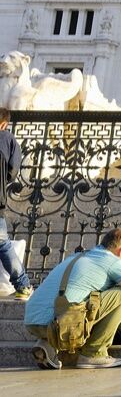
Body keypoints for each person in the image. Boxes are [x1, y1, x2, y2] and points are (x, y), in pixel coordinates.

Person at [24, 227, 121, 370]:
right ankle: (94, 353)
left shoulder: (76, 256)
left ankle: (47, 344)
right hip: (61, 322)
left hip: (32, 321)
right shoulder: (113, 261)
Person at [0, 108, 32, 300]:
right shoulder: (7, 139)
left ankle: (23, 284)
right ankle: (23, 284)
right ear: (5, 123)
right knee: (3, 244)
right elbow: (12, 172)